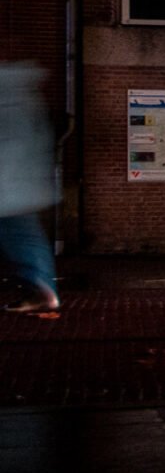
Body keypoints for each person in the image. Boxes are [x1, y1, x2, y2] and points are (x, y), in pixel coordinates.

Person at [0, 63, 62, 315]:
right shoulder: (25, 95)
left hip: (10, 182)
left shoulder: (8, 94)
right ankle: (41, 286)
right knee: (23, 233)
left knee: (20, 233)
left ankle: (41, 288)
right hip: (18, 182)